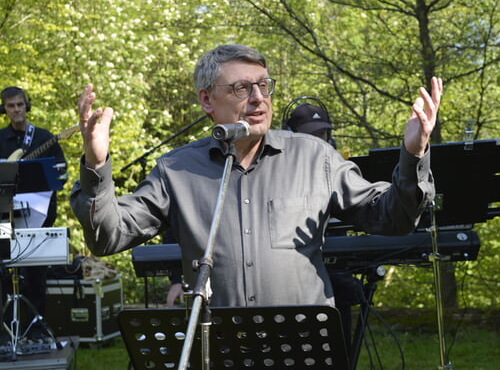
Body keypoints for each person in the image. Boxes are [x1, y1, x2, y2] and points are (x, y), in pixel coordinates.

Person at [71, 44, 441, 310]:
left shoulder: (315, 158)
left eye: (264, 85)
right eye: (241, 88)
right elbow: (107, 236)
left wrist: (413, 153)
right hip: (217, 348)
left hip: (303, 345)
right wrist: (96, 161)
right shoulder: (176, 171)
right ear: (206, 100)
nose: (258, 98)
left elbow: (392, 217)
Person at [284, 100, 363, 352]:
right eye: (311, 135)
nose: (319, 141)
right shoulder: (277, 173)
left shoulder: (339, 170)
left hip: (338, 277)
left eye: (323, 134)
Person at [0, 86, 67, 342]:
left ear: (27, 106)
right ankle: (9, 331)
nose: (16, 110)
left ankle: (36, 329)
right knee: (5, 270)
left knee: (37, 274)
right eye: (10, 106)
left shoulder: (44, 138)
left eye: (20, 105)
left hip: (39, 217)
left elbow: (60, 173)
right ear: (4, 109)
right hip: (4, 218)